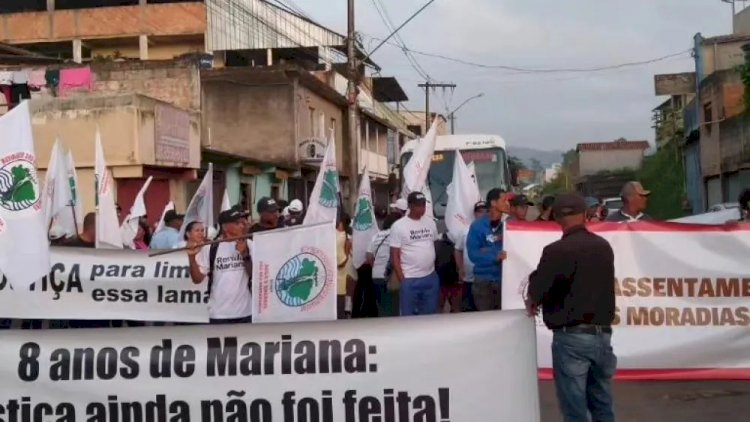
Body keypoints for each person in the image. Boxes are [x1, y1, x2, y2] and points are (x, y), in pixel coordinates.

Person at [526, 193, 617, 422]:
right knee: (602, 403)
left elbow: (538, 290)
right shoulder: (603, 246)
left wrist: (533, 298)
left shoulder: (556, 251)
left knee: (574, 408)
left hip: (571, 338)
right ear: (586, 215)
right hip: (602, 335)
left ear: (557, 218)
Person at [187, 205, 253, 324]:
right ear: (225, 227)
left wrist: (244, 254)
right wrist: (191, 258)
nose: (242, 225)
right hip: (219, 314)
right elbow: (197, 279)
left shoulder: (249, 244)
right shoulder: (210, 248)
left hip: (245, 312)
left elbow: (255, 275)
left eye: (242, 222)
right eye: (237, 223)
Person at [389, 192, 439, 316]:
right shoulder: (399, 226)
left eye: (423, 205)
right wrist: (403, 279)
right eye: (418, 205)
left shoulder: (430, 223)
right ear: (410, 206)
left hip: (430, 277)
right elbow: (394, 255)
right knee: (408, 318)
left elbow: (435, 245)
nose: (422, 208)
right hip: (410, 279)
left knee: (429, 316)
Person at [466, 188, 509, 311]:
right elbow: (473, 254)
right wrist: (495, 256)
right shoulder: (477, 226)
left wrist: (486, 250)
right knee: (486, 320)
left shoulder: (509, 225)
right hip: (483, 283)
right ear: (494, 203)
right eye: (504, 200)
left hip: (504, 280)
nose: (507, 203)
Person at [454, 201, 487, 312]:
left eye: (485, 211)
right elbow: (458, 250)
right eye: (479, 211)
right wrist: (460, 268)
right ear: (475, 214)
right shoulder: (465, 230)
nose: (482, 214)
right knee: (469, 309)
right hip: (469, 278)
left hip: (485, 279)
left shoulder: (493, 230)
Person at [367, 213, 401, 317]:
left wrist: (377, 267)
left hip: (376, 275)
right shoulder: (397, 235)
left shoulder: (376, 236)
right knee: (394, 308)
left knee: (381, 307)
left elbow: (369, 257)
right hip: (391, 276)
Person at [435, 232, 461, 313]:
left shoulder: (459, 240)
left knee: (456, 307)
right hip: (442, 280)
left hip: (454, 280)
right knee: (440, 307)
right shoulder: (436, 243)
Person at [336, 213, 353, 319]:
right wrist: (347, 251)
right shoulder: (343, 237)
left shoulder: (335, 234)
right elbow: (341, 263)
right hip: (339, 280)